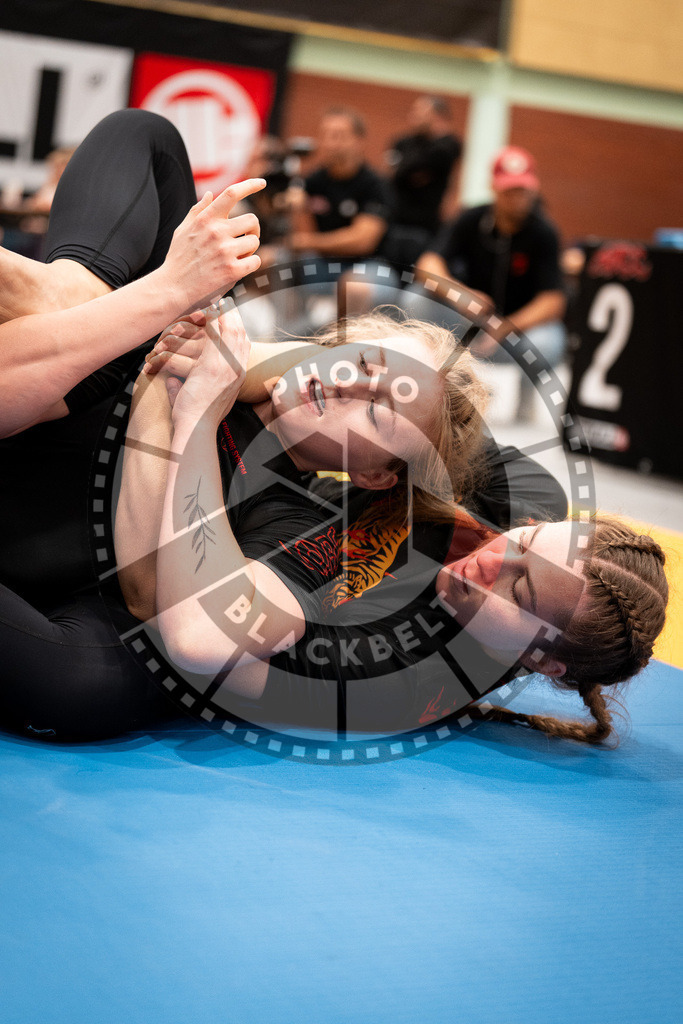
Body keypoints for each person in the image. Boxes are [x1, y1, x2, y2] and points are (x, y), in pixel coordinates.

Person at [406, 145, 567, 417]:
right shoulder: (472, 218)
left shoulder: (544, 232)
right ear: (494, 187)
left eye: (523, 190)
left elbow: (553, 301)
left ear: (534, 189)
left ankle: (525, 398)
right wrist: (461, 294)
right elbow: (427, 265)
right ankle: (438, 386)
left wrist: (505, 327)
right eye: (510, 190)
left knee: (549, 343)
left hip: (515, 331)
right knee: (415, 297)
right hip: (471, 323)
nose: (517, 198)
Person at [382, 95, 462, 267]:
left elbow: (407, 169)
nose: (413, 115)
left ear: (437, 115)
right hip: (394, 224)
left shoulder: (448, 146)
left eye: (420, 111)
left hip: (426, 229)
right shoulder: (403, 142)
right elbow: (397, 176)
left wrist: (406, 169)